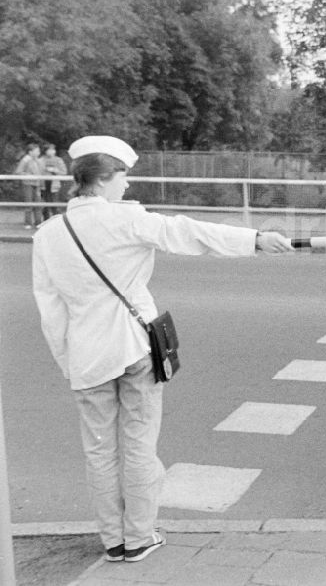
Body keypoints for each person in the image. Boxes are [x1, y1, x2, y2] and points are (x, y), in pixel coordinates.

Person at [31, 135, 293, 564]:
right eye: (123, 176)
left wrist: (67, 361)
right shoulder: (125, 221)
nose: (127, 186)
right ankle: (138, 536)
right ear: (101, 179)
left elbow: (51, 309)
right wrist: (255, 238)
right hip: (133, 350)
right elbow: (185, 232)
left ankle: (112, 540)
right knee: (137, 443)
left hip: (84, 356)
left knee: (99, 450)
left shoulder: (49, 235)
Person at [15, 143, 43, 229]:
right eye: (37, 151)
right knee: (29, 204)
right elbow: (18, 172)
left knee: (38, 204)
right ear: (30, 152)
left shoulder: (37, 160)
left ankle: (38, 222)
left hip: (37, 184)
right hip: (28, 184)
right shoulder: (25, 160)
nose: (39, 152)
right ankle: (27, 223)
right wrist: (28, 175)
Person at [40, 143, 68, 219]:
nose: (52, 151)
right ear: (45, 151)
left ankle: (56, 220)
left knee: (54, 204)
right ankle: (45, 220)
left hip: (54, 185)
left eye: (53, 149)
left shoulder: (59, 160)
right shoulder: (41, 160)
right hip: (43, 185)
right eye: (49, 150)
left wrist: (55, 171)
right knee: (45, 204)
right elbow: (38, 171)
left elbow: (64, 172)